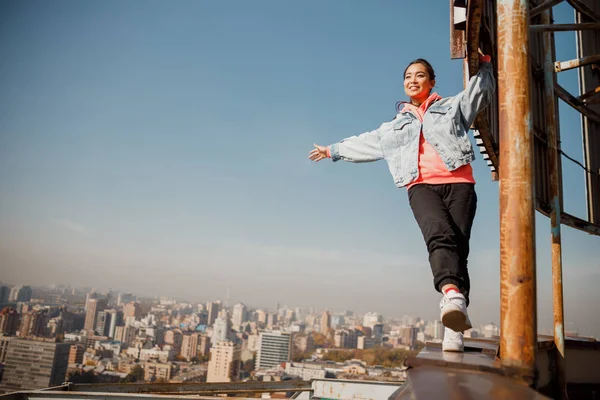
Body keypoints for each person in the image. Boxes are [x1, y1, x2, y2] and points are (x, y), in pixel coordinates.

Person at [308, 55, 495, 352]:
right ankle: (451, 294)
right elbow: (365, 142)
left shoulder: (451, 107)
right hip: (421, 186)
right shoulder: (395, 126)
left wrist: (485, 66)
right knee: (439, 236)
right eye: (408, 76)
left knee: (459, 249)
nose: (412, 80)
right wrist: (333, 150)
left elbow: (479, 92)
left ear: (431, 82)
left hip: (460, 185)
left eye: (420, 75)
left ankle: (454, 326)